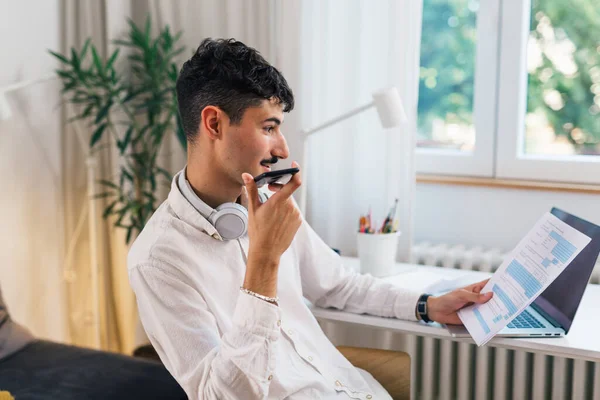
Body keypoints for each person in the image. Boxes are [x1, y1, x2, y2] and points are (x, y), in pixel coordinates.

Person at [128, 38, 493, 399]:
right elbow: (220, 396)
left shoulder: (273, 202)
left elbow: (337, 285)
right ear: (214, 124)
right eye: (268, 128)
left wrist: (428, 305)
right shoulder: (158, 259)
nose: (283, 149)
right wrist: (264, 263)